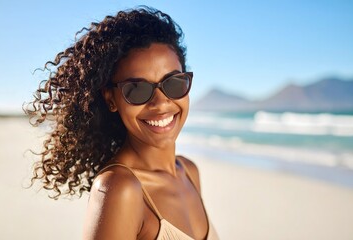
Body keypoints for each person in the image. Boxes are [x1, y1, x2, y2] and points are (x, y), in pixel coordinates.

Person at [25, 6, 219, 240]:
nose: (160, 102)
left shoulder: (189, 171)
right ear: (111, 99)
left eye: (174, 83)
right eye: (137, 89)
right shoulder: (119, 189)